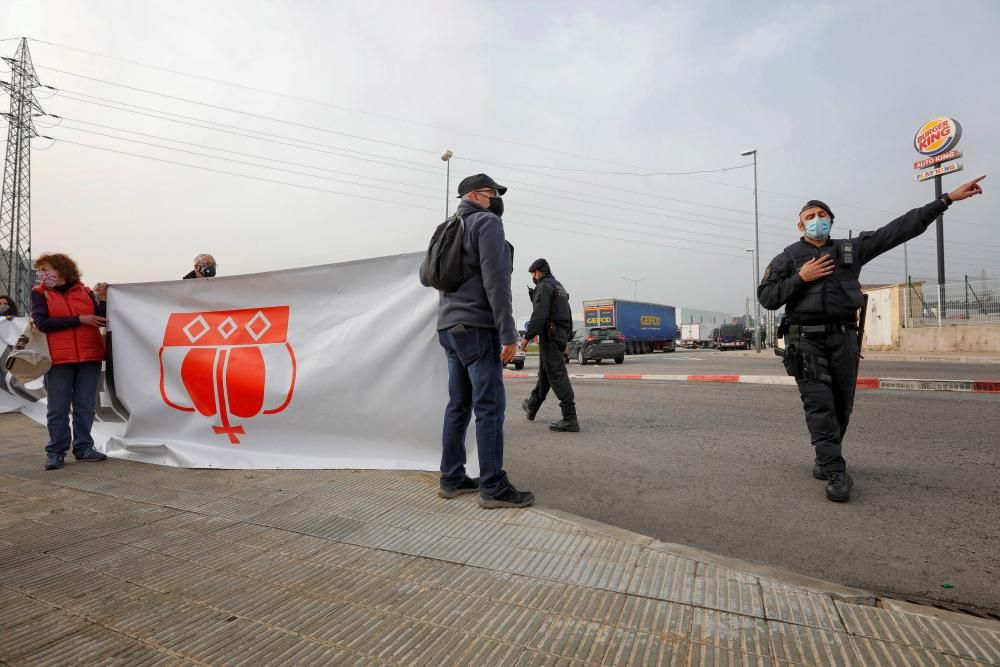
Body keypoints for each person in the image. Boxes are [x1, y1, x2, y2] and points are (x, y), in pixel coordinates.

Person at [758, 175, 985, 502]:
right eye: (810, 217)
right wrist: (800, 278)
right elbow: (766, 297)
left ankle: (826, 458)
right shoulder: (788, 258)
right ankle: (836, 470)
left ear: (831, 221)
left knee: (842, 406)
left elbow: (899, 228)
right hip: (805, 340)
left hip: (844, 339)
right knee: (819, 405)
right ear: (799, 225)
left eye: (822, 215)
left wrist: (946, 199)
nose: (817, 221)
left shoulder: (849, 251)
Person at [419, 173, 535, 509]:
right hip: (477, 329)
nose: (497, 198)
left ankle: (451, 478)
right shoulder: (486, 223)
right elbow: (496, 281)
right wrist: (509, 332)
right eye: (493, 193)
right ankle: (493, 487)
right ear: (475, 195)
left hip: (449, 329)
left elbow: (426, 276)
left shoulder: (445, 227)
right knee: (490, 407)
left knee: (458, 405)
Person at [30, 253, 110, 471]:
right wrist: (79, 320)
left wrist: (103, 298)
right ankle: (56, 452)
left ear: (62, 270)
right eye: (40, 270)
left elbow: (102, 318)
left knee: (85, 406)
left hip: (89, 355)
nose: (42, 274)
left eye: (46, 269)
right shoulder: (39, 293)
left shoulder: (85, 292)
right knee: (58, 408)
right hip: (58, 358)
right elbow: (42, 323)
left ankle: (84, 447)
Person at [521, 258, 578, 432]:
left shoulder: (544, 286)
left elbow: (540, 313)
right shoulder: (559, 286)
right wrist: (567, 334)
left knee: (557, 374)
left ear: (539, 272)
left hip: (550, 334)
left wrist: (527, 337)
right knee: (546, 373)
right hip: (559, 333)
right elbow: (567, 313)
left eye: (533, 274)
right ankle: (532, 405)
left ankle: (570, 418)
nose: (533, 277)